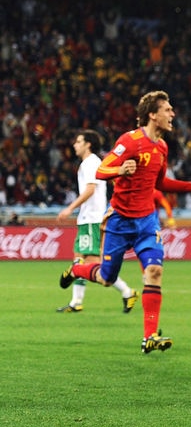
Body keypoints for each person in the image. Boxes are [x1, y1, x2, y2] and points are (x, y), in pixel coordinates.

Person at [59, 90, 191, 354]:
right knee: (107, 278)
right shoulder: (130, 141)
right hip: (118, 222)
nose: (172, 114)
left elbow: (161, 182)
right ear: (152, 115)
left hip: (146, 223)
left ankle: (149, 336)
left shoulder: (162, 147)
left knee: (154, 272)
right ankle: (77, 270)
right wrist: (120, 169)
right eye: (167, 109)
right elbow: (101, 170)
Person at [55, 130, 138, 314]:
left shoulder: (91, 162)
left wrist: (70, 208)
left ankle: (127, 291)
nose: (75, 145)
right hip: (88, 218)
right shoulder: (91, 162)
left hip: (92, 218)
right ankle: (76, 301)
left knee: (92, 264)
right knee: (79, 258)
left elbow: (91, 189)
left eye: (78, 141)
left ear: (88, 144)